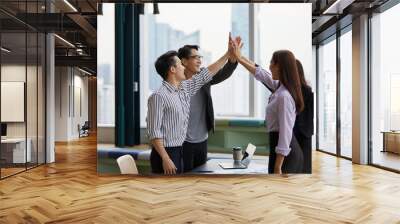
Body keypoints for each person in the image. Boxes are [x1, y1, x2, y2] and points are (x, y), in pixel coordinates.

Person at [147, 37, 233, 175]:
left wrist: (228, 54)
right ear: (172, 69)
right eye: (180, 64)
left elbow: (207, 74)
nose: (183, 67)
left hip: (179, 150)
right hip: (166, 153)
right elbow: (154, 132)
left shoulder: (184, 88)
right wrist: (165, 158)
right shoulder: (158, 96)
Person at [231, 37, 304, 174]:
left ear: (281, 67)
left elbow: (285, 134)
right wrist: (240, 58)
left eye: (272, 63)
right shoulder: (280, 87)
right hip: (279, 148)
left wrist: (278, 166)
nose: (269, 66)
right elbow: (260, 73)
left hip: (286, 155)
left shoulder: (284, 96)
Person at [177, 45, 238, 172]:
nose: (199, 60)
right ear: (183, 61)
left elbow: (223, 73)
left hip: (202, 139)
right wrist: (227, 54)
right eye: (195, 57)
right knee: (185, 178)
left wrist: (232, 59)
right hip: (183, 141)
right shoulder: (177, 81)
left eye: (200, 57)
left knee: (201, 176)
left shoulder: (204, 77)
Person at [293, 59, 314, 173]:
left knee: (304, 167)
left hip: (303, 133)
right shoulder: (287, 88)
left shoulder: (307, 90)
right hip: (295, 133)